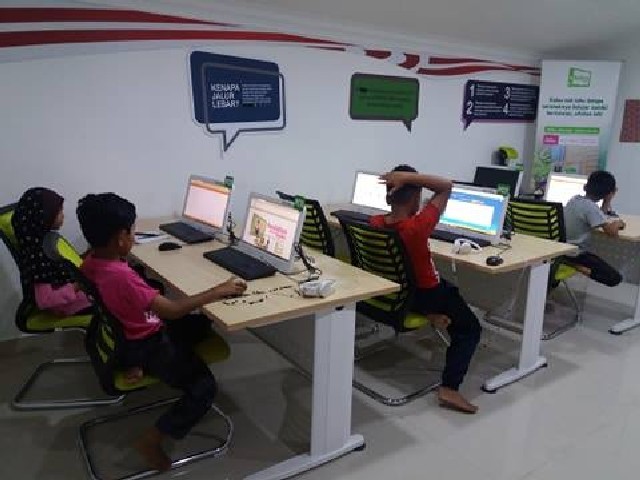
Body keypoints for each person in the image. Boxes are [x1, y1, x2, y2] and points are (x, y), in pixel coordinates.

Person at [77, 192, 247, 472]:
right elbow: (172, 310)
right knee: (204, 387)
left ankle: (135, 362)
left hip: (130, 334)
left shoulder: (91, 261)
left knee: (200, 324)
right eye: (131, 232)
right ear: (120, 238)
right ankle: (151, 440)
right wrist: (218, 290)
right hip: (149, 342)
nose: (134, 237)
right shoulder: (122, 276)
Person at [371, 165, 481, 414]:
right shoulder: (416, 227)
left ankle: (431, 315)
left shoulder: (375, 223)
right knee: (470, 329)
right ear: (415, 198)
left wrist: (403, 180)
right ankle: (450, 388)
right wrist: (409, 178)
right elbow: (446, 186)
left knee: (443, 295)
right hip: (429, 293)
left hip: (399, 294)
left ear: (388, 197)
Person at [12, 187, 91, 316]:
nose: (63, 216)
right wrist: (78, 286)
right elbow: (45, 300)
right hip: (69, 305)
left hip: (76, 293)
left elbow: (65, 265)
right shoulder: (37, 256)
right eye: (59, 212)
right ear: (43, 216)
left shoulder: (47, 241)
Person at [563, 170, 624, 287]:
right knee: (615, 278)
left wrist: (606, 201)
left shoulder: (574, 200)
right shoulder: (591, 208)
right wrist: (618, 223)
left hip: (563, 248)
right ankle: (574, 265)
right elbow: (612, 233)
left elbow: (599, 216)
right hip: (576, 254)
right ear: (608, 193)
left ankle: (563, 260)